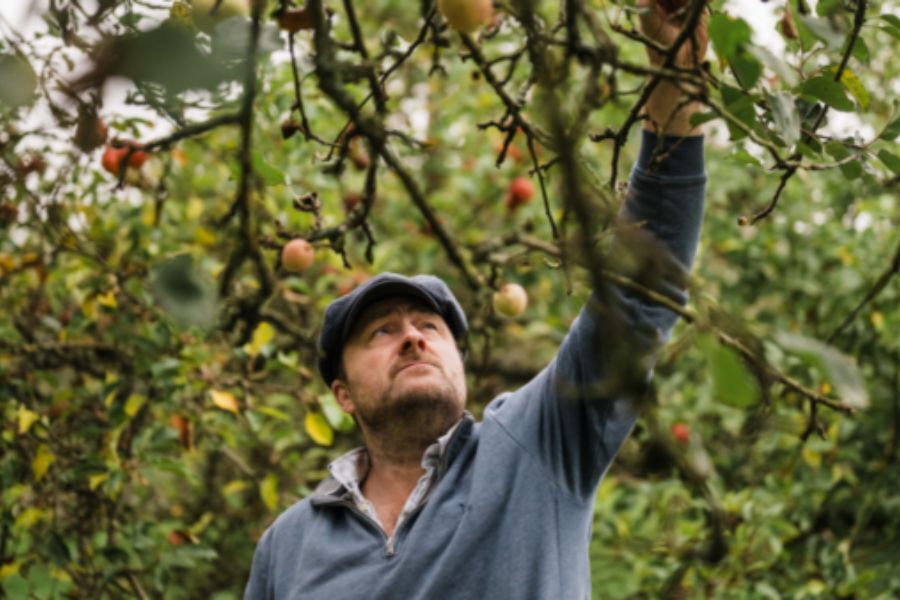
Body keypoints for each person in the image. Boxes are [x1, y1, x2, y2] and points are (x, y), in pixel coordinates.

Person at [245, 2, 708, 598]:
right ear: (342, 395)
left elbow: (645, 285)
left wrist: (677, 68)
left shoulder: (536, 445)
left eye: (430, 327)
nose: (412, 335)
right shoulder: (288, 546)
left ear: (461, 363)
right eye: (380, 332)